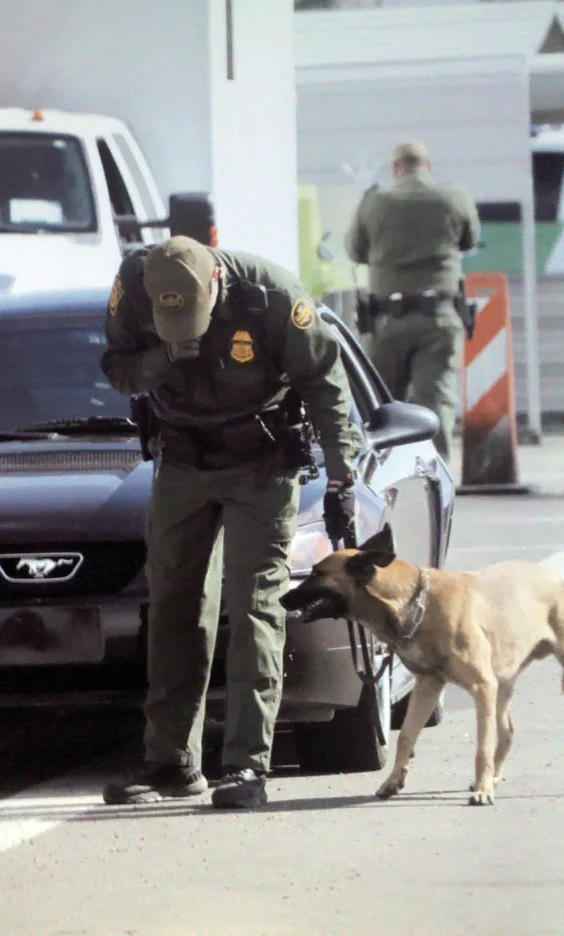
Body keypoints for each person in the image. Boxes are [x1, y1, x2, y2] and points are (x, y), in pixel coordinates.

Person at [100, 235, 362, 810]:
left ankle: (246, 767)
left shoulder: (271, 296)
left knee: (254, 607)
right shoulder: (133, 287)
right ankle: (171, 763)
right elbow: (117, 369)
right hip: (181, 461)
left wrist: (343, 479)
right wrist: (162, 359)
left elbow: (325, 382)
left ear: (216, 285)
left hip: (260, 464)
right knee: (174, 606)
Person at [345, 141, 481, 461]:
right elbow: (470, 240)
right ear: (427, 166)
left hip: (386, 321)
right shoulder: (453, 198)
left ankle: (387, 478)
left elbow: (354, 251)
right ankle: (437, 482)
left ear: (396, 169)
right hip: (439, 319)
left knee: (383, 409)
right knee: (436, 403)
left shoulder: (375, 202)